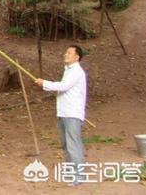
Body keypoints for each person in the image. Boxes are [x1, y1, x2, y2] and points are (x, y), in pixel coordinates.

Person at [35, 45, 87, 186]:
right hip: (63, 112)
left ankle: (78, 176)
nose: (66, 54)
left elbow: (63, 86)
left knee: (73, 145)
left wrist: (44, 83)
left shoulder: (76, 71)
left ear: (77, 57)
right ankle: (71, 173)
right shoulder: (68, 71)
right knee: (65, 145)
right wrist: (44, 84)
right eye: (66, 52)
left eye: (69, 53)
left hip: (72, 113)